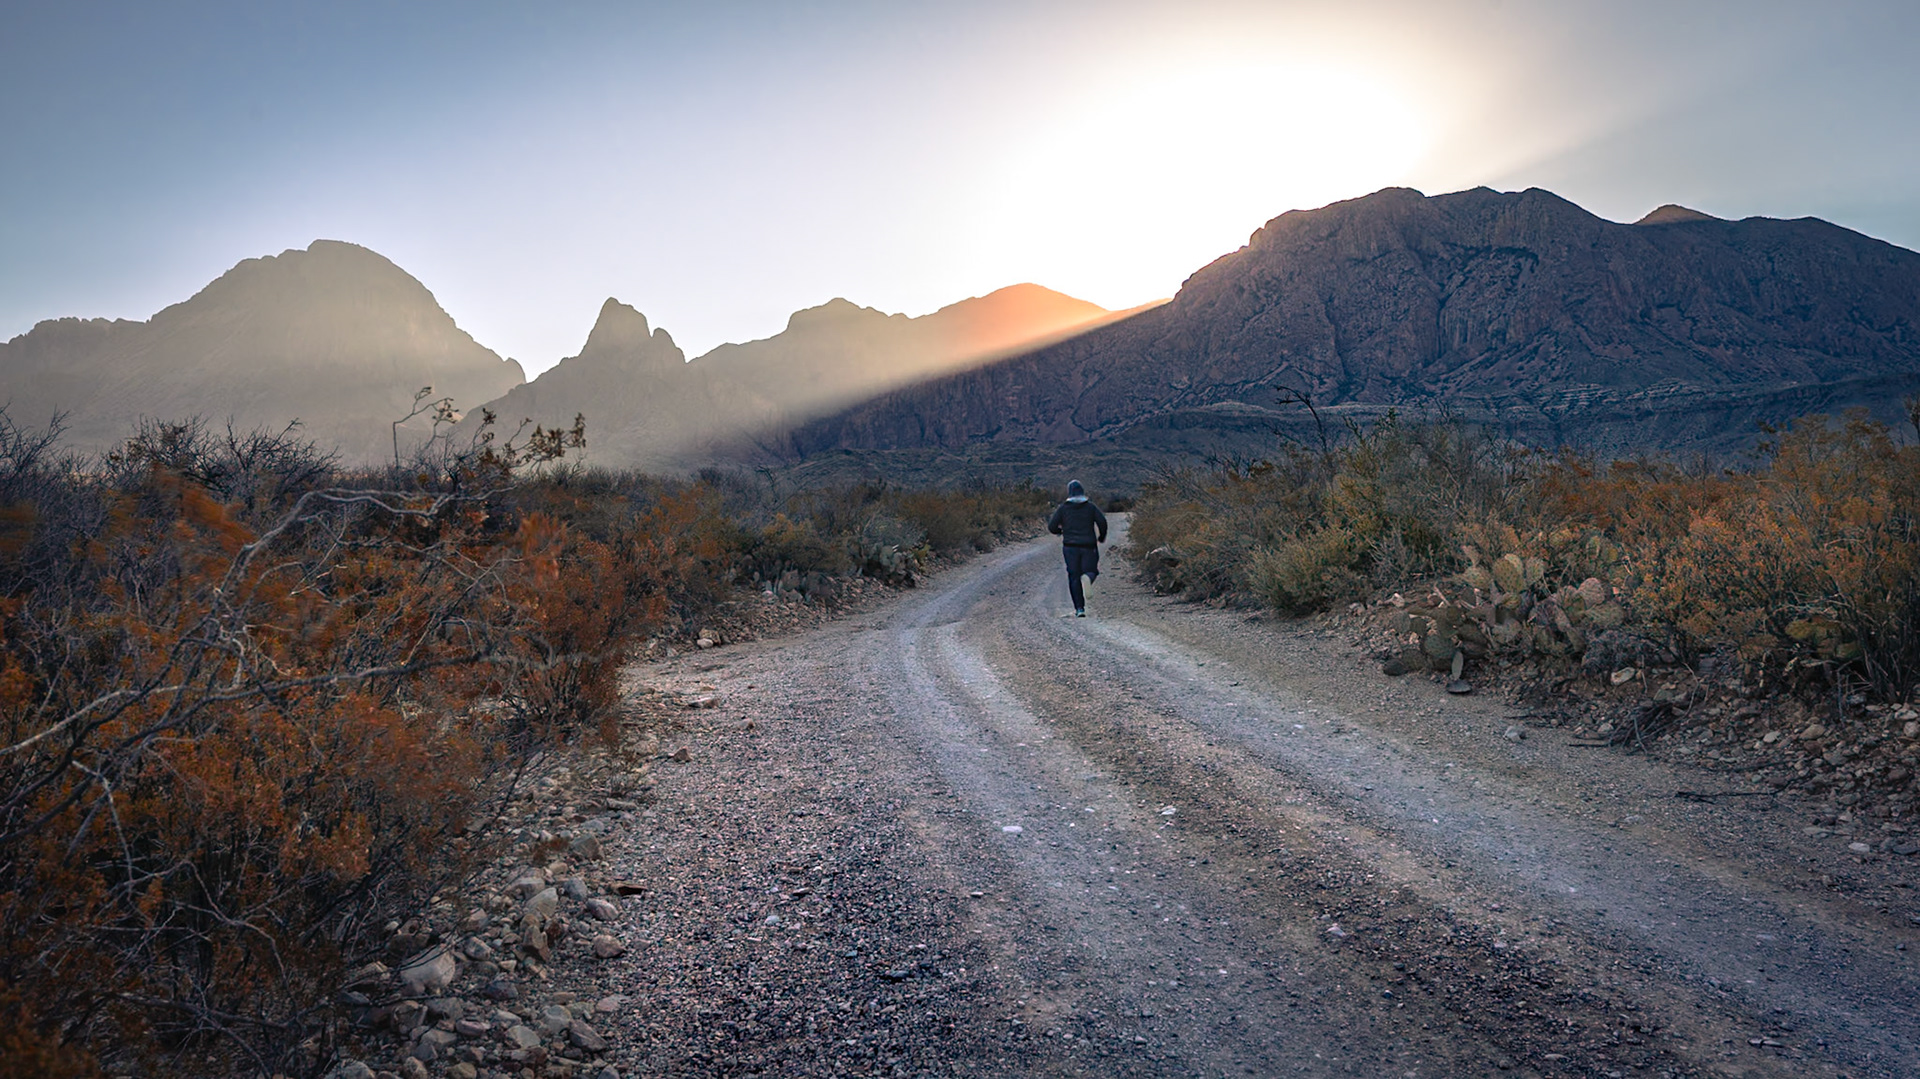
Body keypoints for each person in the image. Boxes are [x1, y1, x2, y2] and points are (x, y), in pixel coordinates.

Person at [1047, 479, 1107, 617]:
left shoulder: (1063, 508)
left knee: (1073, 576)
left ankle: (1080, 609)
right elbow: (1102, 522)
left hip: (1070, 547)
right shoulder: (1090, 507)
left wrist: (1060, 532)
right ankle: (1087, 578)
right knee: (1091, 571)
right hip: (1088, 546)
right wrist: (1101, 537)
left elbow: (1051, 526)